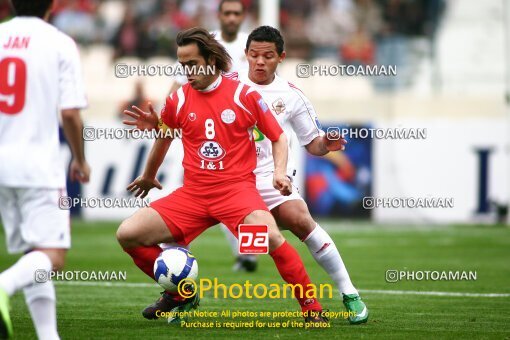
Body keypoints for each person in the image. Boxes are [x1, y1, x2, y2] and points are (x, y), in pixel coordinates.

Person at [141, 25, 369, 325]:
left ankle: (348, 294)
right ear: (245, 54)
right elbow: (180, 116)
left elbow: (309, 142)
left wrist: (324, 145)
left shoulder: (290, 96)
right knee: (174, 240)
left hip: (267, 181)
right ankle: (180, 293)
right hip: (225, 183)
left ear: (281, 58)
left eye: (268, 56)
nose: (260, 62)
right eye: (254, 55)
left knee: (299, 223)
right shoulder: (224, 83)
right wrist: (159, 123)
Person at [0, 0, 90, 338]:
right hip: (37, 166)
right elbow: (69, 113)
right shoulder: (59, 42)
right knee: (52, 255)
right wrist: (79, 158)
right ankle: (3, 285)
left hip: (2, 165)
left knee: (33, 255)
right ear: (52, 5)